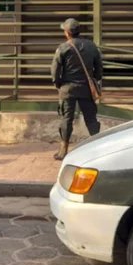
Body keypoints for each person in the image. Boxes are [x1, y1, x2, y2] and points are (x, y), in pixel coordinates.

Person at [50, 18, 103, 161]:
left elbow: (55, 70)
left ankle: (63, 149)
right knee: (91, 119)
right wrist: (94, 80)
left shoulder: (63, 48)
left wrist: (58, 84)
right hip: (87, 89)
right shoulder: (91, 46)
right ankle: (97, 148)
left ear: (67, 33)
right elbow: (99, 68)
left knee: (66, 119)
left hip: (68, 89)